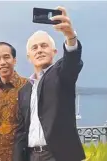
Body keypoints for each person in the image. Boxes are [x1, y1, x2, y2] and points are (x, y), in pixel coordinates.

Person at [13, 7, 86, 161]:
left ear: (54, 51)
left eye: (44, 46)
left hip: (58, 156)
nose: (39, 50)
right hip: (32, 156)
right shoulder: (24, 91)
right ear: (29, 57)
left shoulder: (61, 73)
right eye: (35, 48)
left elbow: (72, 61)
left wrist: (70, 36)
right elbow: (21, 132)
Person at [0, 42, 28, 161]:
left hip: (22, 154)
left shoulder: (28, 86)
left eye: (6, 57)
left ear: (14, 60)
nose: (2, 62)